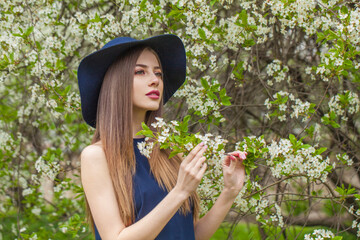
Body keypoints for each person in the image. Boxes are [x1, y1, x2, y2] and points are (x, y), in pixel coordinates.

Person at [77, 34, 246, 240]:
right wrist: (180, 192)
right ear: (116, 83)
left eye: (158, 73)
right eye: (140, 72)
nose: (155, 80)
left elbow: (188, 234)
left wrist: (229, 191)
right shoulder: (96, 156)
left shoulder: (170, 150)